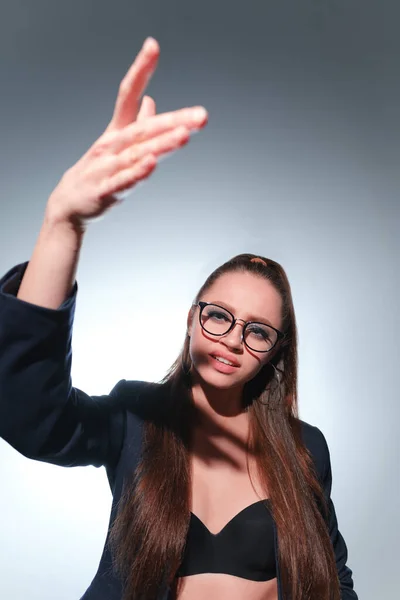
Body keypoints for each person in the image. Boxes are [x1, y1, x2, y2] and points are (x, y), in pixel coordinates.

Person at [0, 37, 357, 600]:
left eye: (257, 330)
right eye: (219, 316)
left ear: (277, 351)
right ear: (192, 319)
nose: (232, 340)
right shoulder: (135, 418)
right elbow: (28, 415)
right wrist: (62, 224)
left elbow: (334, 581)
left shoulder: (306, 448)